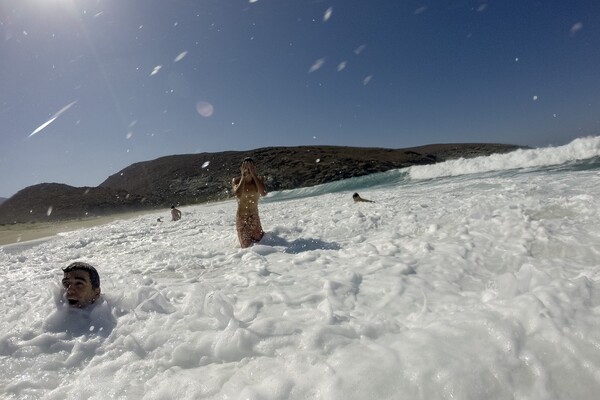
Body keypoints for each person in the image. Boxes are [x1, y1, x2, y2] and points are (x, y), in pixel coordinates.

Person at [232, 157, 268, 248]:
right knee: (246, 247)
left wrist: (254, 175)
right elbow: (238, 194)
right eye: (245, 168)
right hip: (241, 217)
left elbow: (263, 193)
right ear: (241, 168)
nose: (248, 170)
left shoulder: (259, 179)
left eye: (250, 168)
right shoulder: (236, 180)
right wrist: (243, 177)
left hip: (254, 216)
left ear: (254, 168)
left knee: (260, 244)